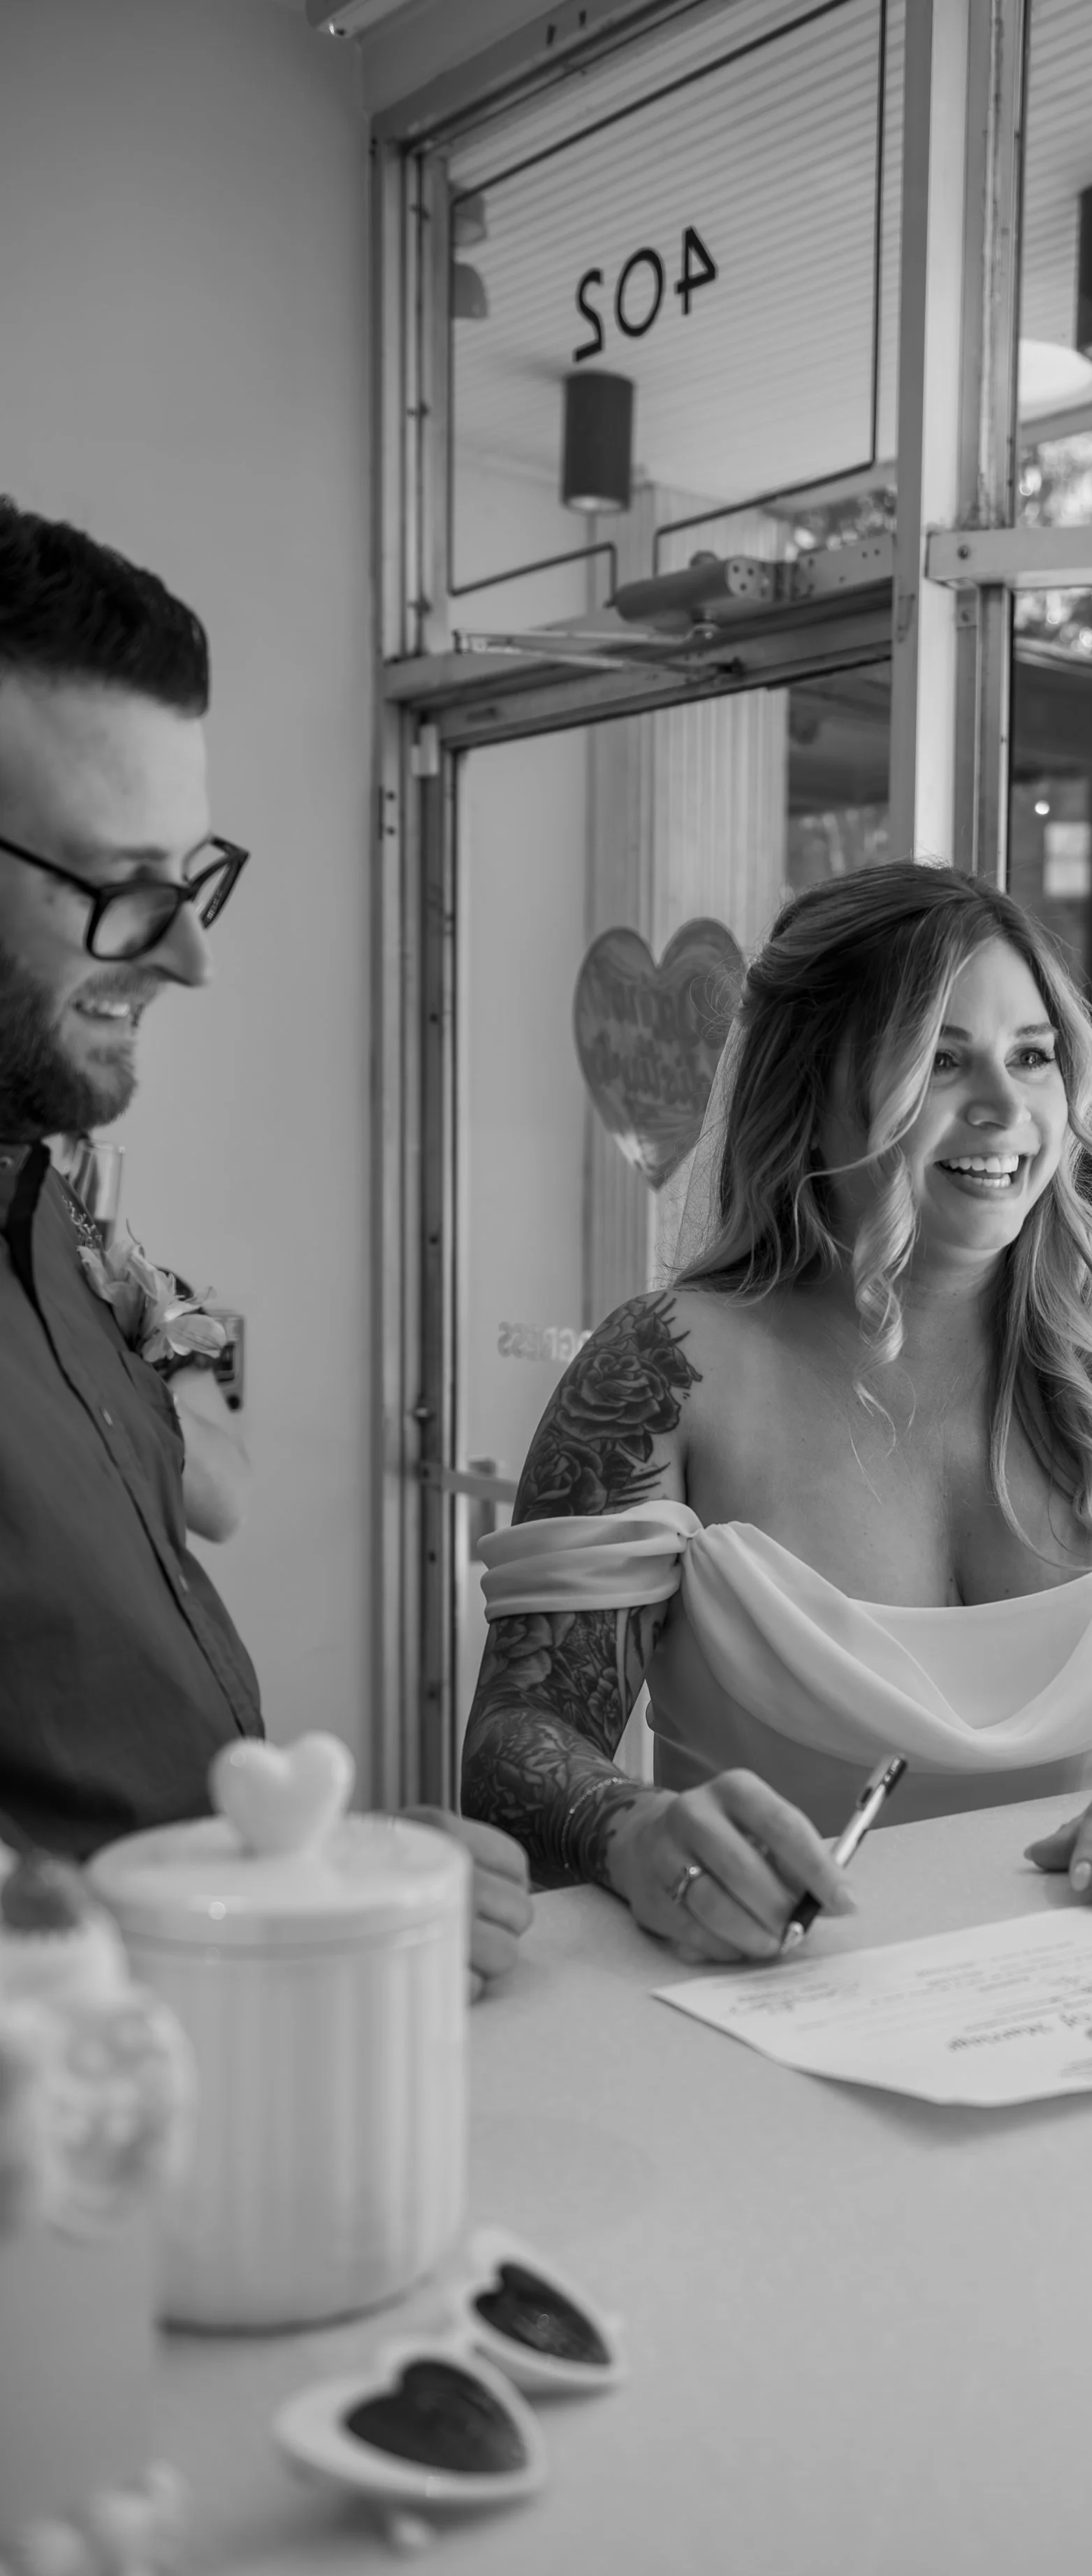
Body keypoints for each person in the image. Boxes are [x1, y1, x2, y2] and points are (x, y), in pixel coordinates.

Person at [463, 861, 1092, 1964]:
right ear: (813, 1090)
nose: (1005, 1107)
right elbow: (518, 1744)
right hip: (758, 2004)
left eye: (1033, 1056)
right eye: (941, 1059)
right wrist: (633, 1830)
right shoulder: (662, 1369)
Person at [0, 498, 532, 1991]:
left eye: (189, 877)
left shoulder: (47, 1223)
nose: (190, 953)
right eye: (120, 888)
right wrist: (287, 1923)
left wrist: (318, 1875)